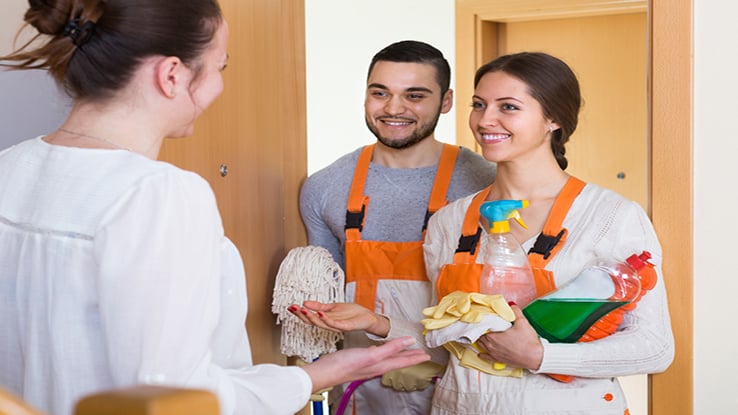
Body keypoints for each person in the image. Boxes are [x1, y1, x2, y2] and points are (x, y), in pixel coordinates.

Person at [0, 2, 430, 415]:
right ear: (171, 75)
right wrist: (309, 379)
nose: (220, 86)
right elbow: (175, 398)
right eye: (219, 67)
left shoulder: (10, 167)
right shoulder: (159, 193)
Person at [421, 52, 675, 414]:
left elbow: (654, 347)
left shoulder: (610, 216)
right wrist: (374, 324)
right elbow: (435, 337)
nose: (484, 119)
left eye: (508, 107)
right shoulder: (448, 222)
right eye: (479, 104)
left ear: (553, 119)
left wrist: (542, 355)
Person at [293, 41, 496, 414]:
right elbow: (325, 305)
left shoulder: (487, 185)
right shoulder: (324, 188)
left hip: (464, 388)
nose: (393, 108)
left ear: (446, 101)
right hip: (360, 392)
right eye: (379, 93)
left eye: (414, 95)